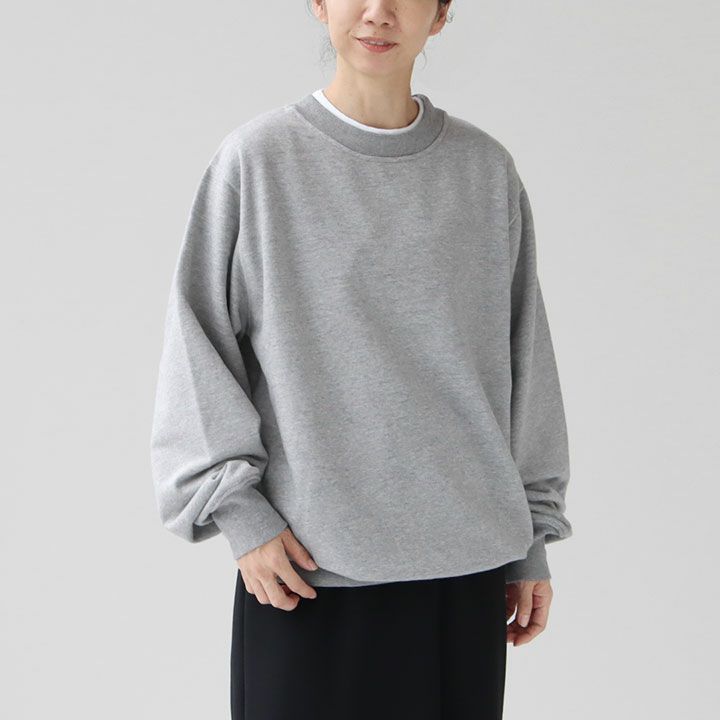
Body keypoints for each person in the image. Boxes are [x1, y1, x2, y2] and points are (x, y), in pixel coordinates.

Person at [149, 1, 573, 718]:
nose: (378, 12)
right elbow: (197, 345)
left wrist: (530, 532)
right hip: (309, 573)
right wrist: (239, 514)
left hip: (466, 573)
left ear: (440, 15)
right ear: (319, 4)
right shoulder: (259, 161)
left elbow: (522, 356)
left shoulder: (484, 171)